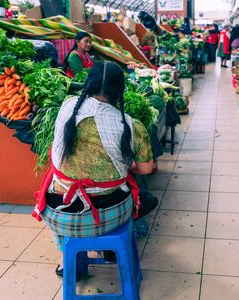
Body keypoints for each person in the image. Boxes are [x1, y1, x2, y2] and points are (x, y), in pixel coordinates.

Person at [32, 61, 154, 276]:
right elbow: (146, 169)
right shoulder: (130, 124)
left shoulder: (68, 105)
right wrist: (126, 165)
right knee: (148, 199)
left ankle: (66, 262)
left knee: (60, 189)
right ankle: (109, 250)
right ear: (120, 90)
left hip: (58, 215)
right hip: (109, 216)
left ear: (87, 84)